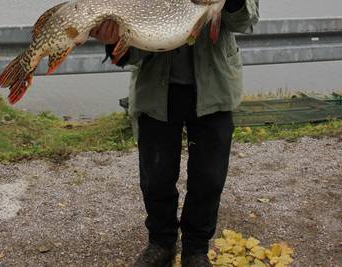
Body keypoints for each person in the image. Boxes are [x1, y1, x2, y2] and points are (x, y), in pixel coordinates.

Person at [91, 1, 259, 266]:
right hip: (156, 90)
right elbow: (130, 47)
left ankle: (196, 249)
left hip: (215, 86)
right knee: (156, 176)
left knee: (209, 177)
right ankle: (161, 242)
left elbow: (245, 21)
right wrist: (115, 43)